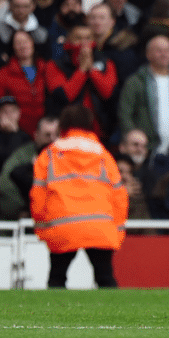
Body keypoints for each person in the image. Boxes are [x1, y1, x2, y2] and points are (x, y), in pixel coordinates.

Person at [31, 105, 126, 289]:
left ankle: (53, 316)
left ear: (63, 126)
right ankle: (116, 316)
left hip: (62, 226)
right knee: (105, 278)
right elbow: (119, 196)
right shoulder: (103, 155)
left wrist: (42, 230)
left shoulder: (49, 155)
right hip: (99, 226)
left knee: (57, 278)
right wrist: (118, 231)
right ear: (91, 125)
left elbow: (38, 196)